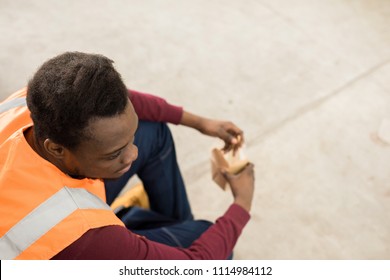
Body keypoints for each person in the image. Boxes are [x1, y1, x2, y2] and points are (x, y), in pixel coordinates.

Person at [0, 52, 255, 260]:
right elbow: (194, 265)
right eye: (115, 153)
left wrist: (200, 122)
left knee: (154, 132)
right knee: (208, 238)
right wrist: (242, 202)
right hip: (63, 246)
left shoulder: (36, 102)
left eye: (129, 139)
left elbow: (126, 101)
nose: (133, 154)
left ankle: (153, 233)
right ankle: (137, 235)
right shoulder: (82, 236)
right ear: (56, 148)